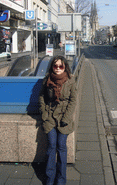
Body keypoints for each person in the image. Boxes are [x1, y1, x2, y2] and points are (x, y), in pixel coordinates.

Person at [39, 55, 77, 185]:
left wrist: (66, 118)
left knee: (61, 146)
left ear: (65, 66)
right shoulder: (47, 80)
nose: (58, 68)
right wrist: (44, 114)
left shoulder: (71, 81)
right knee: (51, 146)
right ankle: (49, 179)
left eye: (61, 66)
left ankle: (61, 180)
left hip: (63, 119)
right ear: (52, 67)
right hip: (50, 118)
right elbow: (42, 97)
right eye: (56, 66)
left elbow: (73, 100)